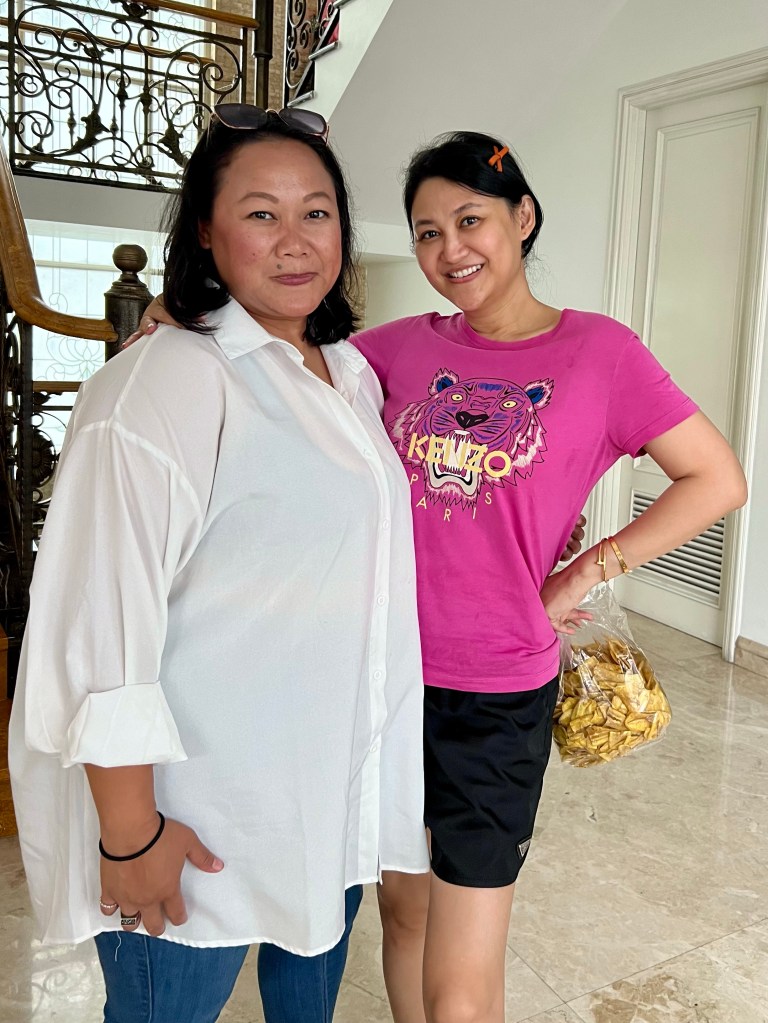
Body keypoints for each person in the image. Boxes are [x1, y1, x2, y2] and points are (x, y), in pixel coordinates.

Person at [132, 128, 748, 1023]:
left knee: (463, 982)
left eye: (470, 220)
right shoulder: (391, 351)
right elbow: (281, 351)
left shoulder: (601, 353)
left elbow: (717, 478)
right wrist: (182, 317)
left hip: (496, 693)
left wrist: (581, 573)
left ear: (522, 217)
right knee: (405, 916)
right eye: (426, 231)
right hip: (380, 679)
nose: (450, 249)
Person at [8, 105, 431, 1023]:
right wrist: (131, 835)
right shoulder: (166, 378)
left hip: (323, 794)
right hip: (196, 813)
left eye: (316, 212)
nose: (295, 241)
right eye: (260, 213)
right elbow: (99, 617)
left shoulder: (348, 373)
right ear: (205, 229)